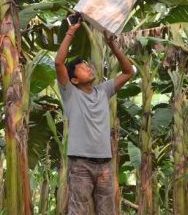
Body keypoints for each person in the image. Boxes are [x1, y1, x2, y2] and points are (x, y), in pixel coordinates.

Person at [54, 15, 135, 215]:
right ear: (73, 79)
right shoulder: (70, 94)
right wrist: (72, 30)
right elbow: (58, 63)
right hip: (80, 164)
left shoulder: (104, 90)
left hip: (105, 164)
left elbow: (128, 72)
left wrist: (112, 44)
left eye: (87, 65)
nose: (88, 68)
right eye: (82, 68)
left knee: (107, 211)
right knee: (79, 211)